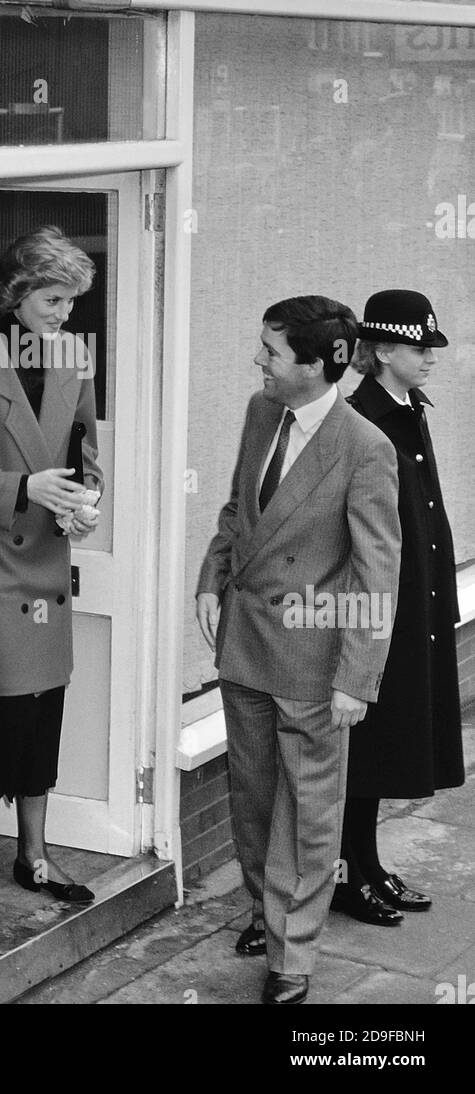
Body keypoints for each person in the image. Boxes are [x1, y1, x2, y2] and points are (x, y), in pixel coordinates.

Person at [196, 295, 401, 1005]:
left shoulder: (364, 448)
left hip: (313, 660)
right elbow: (236, 509)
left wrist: (356, 678)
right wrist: (212, 576)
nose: (258, 360)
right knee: (252, 799)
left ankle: (292, 958)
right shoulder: (261, 413)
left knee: (309, 812)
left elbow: (378, 570)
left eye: (271, 352)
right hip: (245, 644)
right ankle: (264, 907)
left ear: (316, 367)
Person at [0, 226, 103, 904]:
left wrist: (84, 503)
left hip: (45, 563)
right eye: (53, 299)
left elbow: (84, 452)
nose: (65, 315)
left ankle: (35, 853)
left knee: (42, 709)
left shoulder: (73, 361)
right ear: (15, 293)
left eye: (70, 302)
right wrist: (18, 490)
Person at [332, 290, 465, 925]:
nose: (430, 357)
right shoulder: (362, 421)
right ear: (381, 351)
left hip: (417, 604)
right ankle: (346, 874)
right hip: (381, 612)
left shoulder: (409, 409)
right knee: (368, 749)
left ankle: (370, 864)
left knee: (389, 746)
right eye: (419, 347)